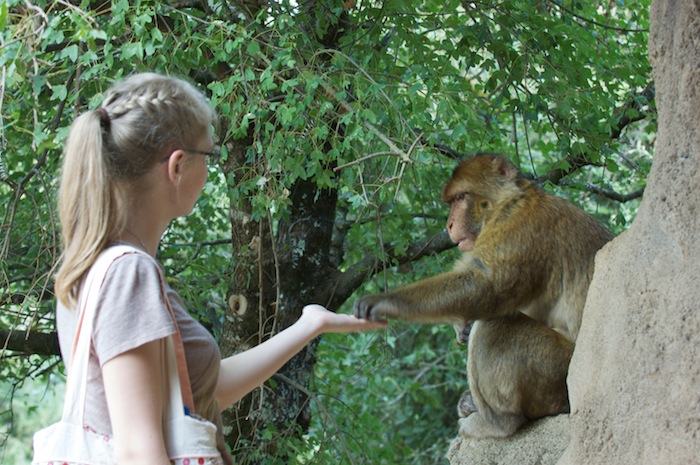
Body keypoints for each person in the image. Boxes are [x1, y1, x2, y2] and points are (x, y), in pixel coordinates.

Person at [53, 72, 386, 465]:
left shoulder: (88, 272)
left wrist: (309, 325)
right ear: (177, 166)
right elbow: (138, 450)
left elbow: (198, 396)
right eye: (209, 155)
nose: (211, 170)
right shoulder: (129, 275)